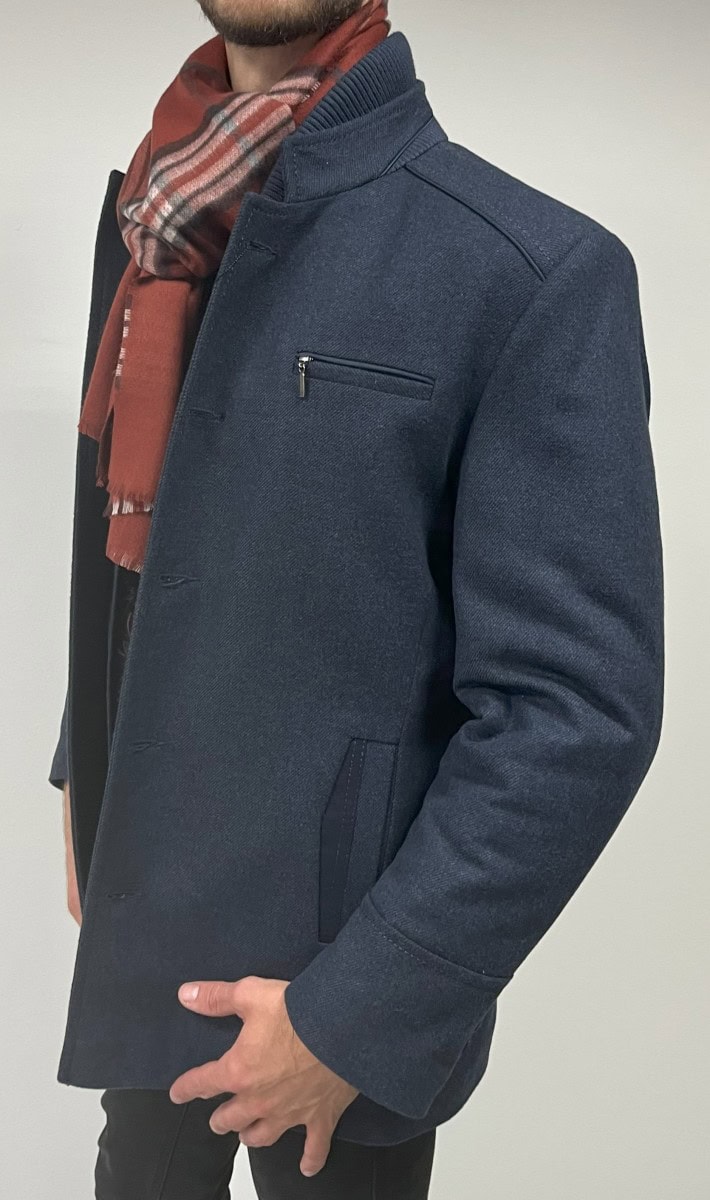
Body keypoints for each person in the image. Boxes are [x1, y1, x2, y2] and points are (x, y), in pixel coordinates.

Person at [48, 1, 665, 1196]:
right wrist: (91, 772)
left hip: (334, 979)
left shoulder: (527, 266)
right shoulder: (158, 217)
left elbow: (574, 714)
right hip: (150, 914)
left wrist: (357, 1012)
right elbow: (140, 538)